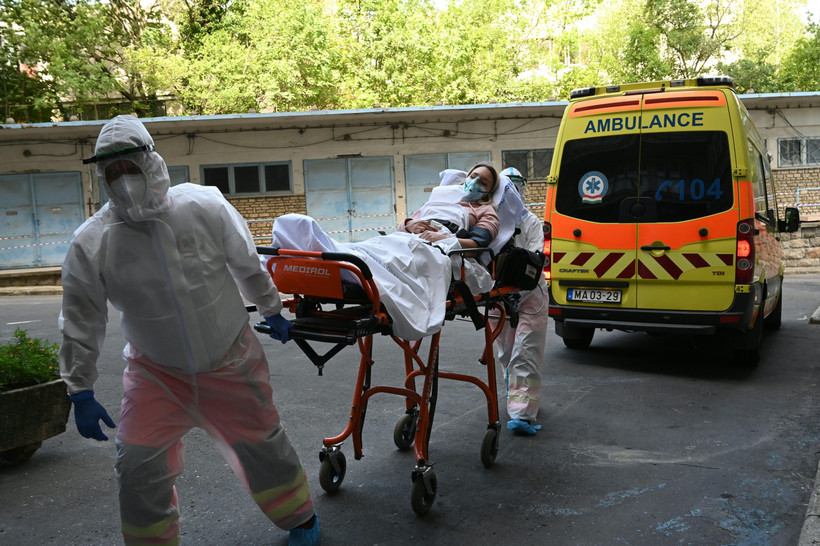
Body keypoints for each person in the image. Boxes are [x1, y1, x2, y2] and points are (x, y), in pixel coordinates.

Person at [58, 115, 320, 546]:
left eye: (130, 167)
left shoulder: (203, 206)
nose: (124, 179)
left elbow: (245, 262)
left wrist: (271, 307)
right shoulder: (93, 241)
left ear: (151, 161)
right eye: (113, 171)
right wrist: (79, 389)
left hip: (230, 359)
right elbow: (81, 316)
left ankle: (301, 519)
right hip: (156, 374)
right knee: (138, 463)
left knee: (264, 448)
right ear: (101, 176)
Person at [493, 167, 548, 436]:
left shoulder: (531, 222)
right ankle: (515, 395)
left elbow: (535, 261)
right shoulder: (491, 221)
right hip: (498, 296)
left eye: (518, 185)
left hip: (531, 294)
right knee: (506, 353)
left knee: (525, 352)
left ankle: (523, 414)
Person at [398, 163, 500, 248]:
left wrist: (444, 239)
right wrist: (410, 225)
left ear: (489, 192)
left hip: (442, 249)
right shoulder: (440, 198)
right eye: (473, 177)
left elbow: (477, 245)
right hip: (413, 239)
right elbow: (401, 228)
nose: (474, 182)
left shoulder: (484, 210)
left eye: (483, 183)